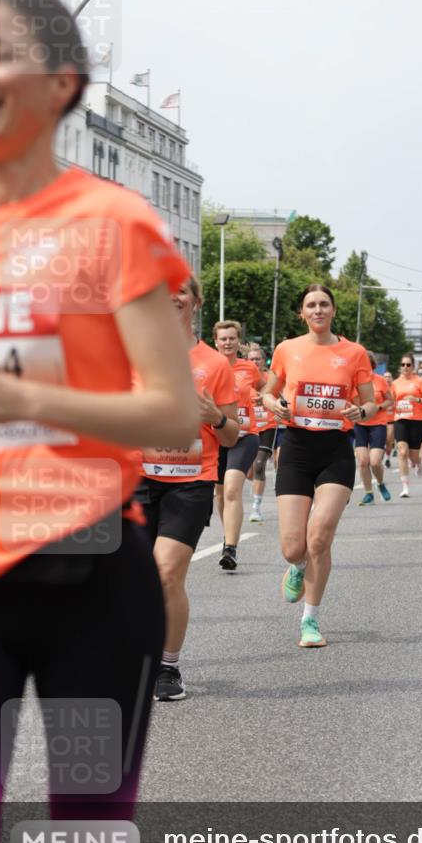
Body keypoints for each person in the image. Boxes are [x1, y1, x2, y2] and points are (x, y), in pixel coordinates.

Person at [0, 0, 212, 843]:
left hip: (89, 581)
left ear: (61, 83)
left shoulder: (110, 223)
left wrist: (35, 402)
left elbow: (170, 409)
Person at [134, 276, 238, 701]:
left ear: (196, 301)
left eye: (181, 290)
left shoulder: (214, 363)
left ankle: (168, 666)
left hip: (191, 481)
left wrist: (215, 416)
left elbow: (232, 435)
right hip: (138, 479)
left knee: (167, 572)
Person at [262, 284, 375, 648]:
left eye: (324, 304)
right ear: (302, 312)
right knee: (294, 547)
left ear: (333, 310)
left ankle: (310, 620)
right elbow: (267, 391)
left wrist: (362, 411)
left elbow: (371, 404)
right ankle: (296, 567)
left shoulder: (354, 352)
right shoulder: (287, 349)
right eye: (311, 305)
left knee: (320, 536)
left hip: (335, 449)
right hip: (296, 447)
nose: (318, 310)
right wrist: (272, 405)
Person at [213, 321, 264, 569]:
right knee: (220, 494)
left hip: (245, 435)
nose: (228, 342)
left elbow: (266, 388)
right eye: (223, 339)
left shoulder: (249, 369)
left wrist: (268, 400)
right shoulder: (208, 368)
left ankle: (230, 549)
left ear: (238, 342)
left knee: (233, 488)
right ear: (216, 342)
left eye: (232, 338)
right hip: (217, 437)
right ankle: (228, 535)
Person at [354, 351, 393, 504]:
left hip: (378, 424)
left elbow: (390, 401)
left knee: (375, 461)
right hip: (360, 425)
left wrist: (379, 408)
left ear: (372, 365)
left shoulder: (380, 381)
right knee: (363, 461)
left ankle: (381, 484)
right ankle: (368, 493)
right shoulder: (354, 381)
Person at [391, 354, 422, 497]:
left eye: (408, 365)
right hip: (400, 419)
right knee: (402, 452)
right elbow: (391, 401)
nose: (405, 367)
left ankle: (419, 463)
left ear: (413, 367)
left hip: (417, 420)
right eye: (403, 365)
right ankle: (405, 487)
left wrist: (417, 399)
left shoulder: (420, 382)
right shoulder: (395, 383)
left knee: (414, 455)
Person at [246, 344, 276, 523]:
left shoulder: (270, 379)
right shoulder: (240, 377)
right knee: (249, 472)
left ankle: (256, 507)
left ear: (264, 361)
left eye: (258, 358)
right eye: (251, 359)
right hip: (248, 428)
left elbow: (282, 395)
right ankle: (256, 483)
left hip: (268, 425)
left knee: (259, 465)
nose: (255, 362)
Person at [383, 370, 395, 469]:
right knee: (382, 439)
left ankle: (388, 458)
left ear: (392, 378)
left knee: (389, 439)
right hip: (381, 418)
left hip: (392, 418)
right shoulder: (380, 388)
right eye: (385, 376)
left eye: (389, 376)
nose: (387, 378)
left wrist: (393, 405)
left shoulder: (395, 388)